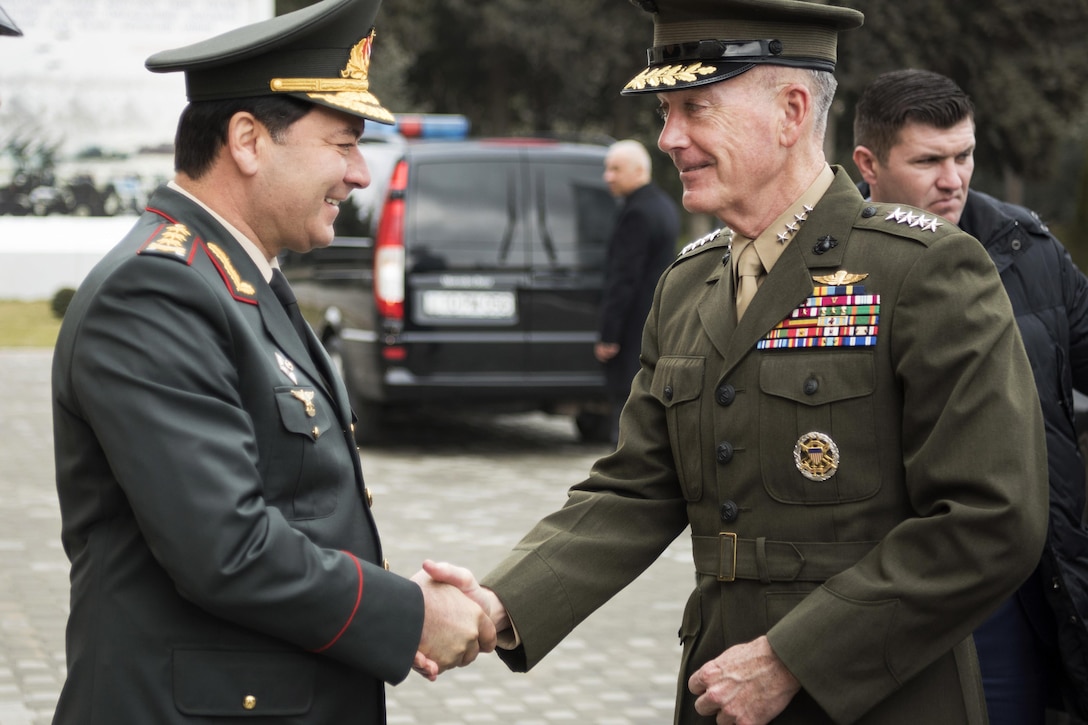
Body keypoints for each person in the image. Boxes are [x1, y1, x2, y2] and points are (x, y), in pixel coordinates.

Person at [419, 0, 1051, 722]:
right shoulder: (689, 284)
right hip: (719, 694)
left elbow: (992, 519)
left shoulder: (923, 271)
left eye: (695, 108)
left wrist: (792, 657)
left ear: (790, 111)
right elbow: (635, 489)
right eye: (665, 113)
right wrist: (499, 604)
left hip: (880, 697)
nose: (668, 138)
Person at [49, 1, 494, 723]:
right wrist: (405, 613)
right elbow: (227, 546)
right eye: (343, 143)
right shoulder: (157, 289)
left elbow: (295, 507)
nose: (358, 174)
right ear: (250, 141)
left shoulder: (238, 275)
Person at [852, 68, 1088, 725]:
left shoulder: (1028, 249)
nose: (953, 179)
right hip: (888, 592)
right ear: (868, 163)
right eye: (929, 160)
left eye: (965, 155)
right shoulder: (827, 268)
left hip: (1026, 586)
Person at [595, 139, 680, 444]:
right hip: (657, 324)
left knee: (627, 414)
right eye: (607, 169)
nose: (608, 176)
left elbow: (624, 278)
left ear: (639, 170)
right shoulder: (664, 205)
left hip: (633, 331)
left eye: (616, 169)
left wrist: (608, 335)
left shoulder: (636, 213)